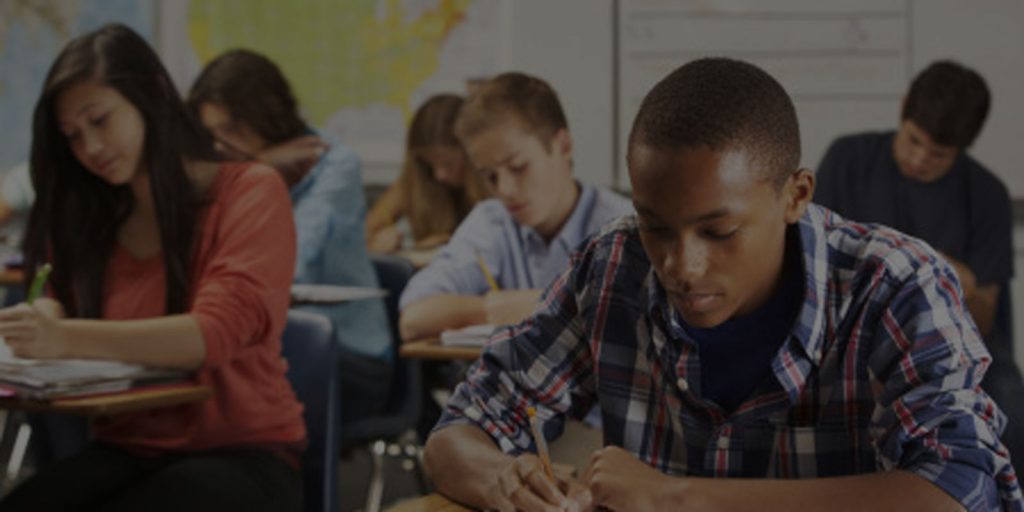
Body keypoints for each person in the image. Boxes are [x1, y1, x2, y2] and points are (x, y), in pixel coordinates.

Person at [423, 58, 1022, 511]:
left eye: (719, 231)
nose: (683, 266)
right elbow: (459, 430)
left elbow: (959, 490)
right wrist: (502, 477)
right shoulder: (612, 270)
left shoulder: (897, 285)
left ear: (796, 195)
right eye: (656, 226)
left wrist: (676, 498)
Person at [0, 24, 303, 511]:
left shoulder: (249, 192)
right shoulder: (91, 214)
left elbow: (211, 335)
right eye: (72, 136)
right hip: (126, 449)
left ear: (152, 96)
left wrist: (65, 336)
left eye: (100, 120)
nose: (91, 148)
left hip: (242, 455)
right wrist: (49, 318)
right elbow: (57, 301)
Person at [815, 59, 1024, 473]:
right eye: (914, 141)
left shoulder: (987, 194)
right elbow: (813, 267)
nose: (919, 159)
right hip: (853, 329)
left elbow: (983, 321)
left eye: (938, 154)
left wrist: (957, 277)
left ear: (964, 149)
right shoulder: (848, 159)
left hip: (949, 339)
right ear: (904, 107)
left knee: (1008, 395)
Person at [188, 49, 393, 423]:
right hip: (265, 346)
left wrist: (256, 178)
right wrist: (260, 167)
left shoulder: (334, 164)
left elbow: (285, 265)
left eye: (232, 130)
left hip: (347, 353)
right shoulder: (223, 172)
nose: (221, 148)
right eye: (211, 135)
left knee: (233, 379)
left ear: (267, 115)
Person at [398, 72, 633, 342]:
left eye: (518, 167)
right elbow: (414, 319)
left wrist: (543, 304)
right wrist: (493, 309)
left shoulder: (625, 227)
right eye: (489, 176)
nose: (505, 190)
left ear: (563, 146)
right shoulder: (491, 222)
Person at [365, 94, 489, 253]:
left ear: (472, 154)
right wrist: (379, 244)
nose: (439, 174)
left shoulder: (498, 184)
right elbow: (366, 234)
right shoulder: (413, 183)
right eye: (428, 164)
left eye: (448, 163)